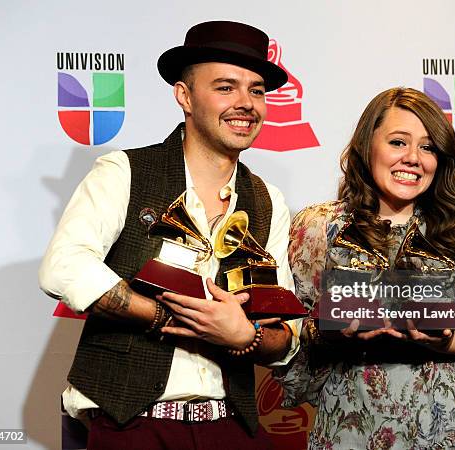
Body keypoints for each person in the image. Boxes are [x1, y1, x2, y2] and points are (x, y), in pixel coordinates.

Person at [39, 20, 300, 450]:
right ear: (184, 95)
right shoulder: (124, 171)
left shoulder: (268, 201)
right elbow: (62, 267)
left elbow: (285, 335)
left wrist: (245, 336)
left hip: (230, 428)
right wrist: (168, 317)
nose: (245, 103)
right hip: (131, 425)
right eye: (225, 87)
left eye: (256, 90)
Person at [276, 87, 455, 449]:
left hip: (445, 429)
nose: (413, 158)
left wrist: (447, 341)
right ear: (368, 145)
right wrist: (329, 333)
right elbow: (289, 345)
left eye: (427, 147)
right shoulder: (319, 227)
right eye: (398, 142)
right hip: (350, 426)